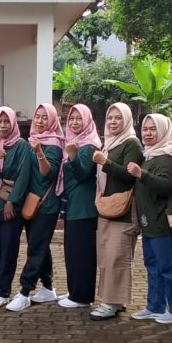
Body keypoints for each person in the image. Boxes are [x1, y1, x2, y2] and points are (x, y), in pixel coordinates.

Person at [6, 103, 64, 312]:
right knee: (39, 245)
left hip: (46, 205)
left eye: (44, 117)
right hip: (31, 202)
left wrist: (39, 151)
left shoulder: (54, 144)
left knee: (36, 247)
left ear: (53, 120)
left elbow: (48, 173)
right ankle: (47, 287)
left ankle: (24, 291)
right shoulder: (32, 138)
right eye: (37, 116)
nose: (39, 121)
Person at [127, 113, 172, 323]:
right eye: (145, 129)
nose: (148, 133)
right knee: (152, 265)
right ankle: (155, 306)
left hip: (162, 222)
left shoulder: (168, 156)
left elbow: (168, 185)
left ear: (164, 131)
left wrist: (141, 174)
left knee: (168, 267)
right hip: (148, 221)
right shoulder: (148, 155)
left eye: (153, 129)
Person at [90, 102, 144, 320]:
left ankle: (110, 303)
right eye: (110, 118)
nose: (113, 122)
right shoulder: (110, 143)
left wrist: (105, 162)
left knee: (117, 257)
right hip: (107, 207)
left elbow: (129, 176)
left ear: (127, 120)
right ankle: (115, 300)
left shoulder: (132, 143)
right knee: (106, 256)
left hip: (124, 210)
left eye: (118, 118)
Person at [0, 107, 31, 308]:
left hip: (11, 203)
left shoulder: (22, 146)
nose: (2, 126)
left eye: (6, 122)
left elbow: (23, 176)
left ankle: (3, 291)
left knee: (8, 249)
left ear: (13, 124)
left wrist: (12, 201)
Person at [57, 104, 101, 309]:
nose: (74, 122)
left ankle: (82, 297)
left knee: (82, 254)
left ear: (87, 121)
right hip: (73, 206)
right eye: (71, 119)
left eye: (79, 119)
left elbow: (83, 173)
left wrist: (73, 156)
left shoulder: (89, 145)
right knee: (72, 252)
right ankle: (75, 290)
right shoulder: (73, 143)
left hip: (84, 208)